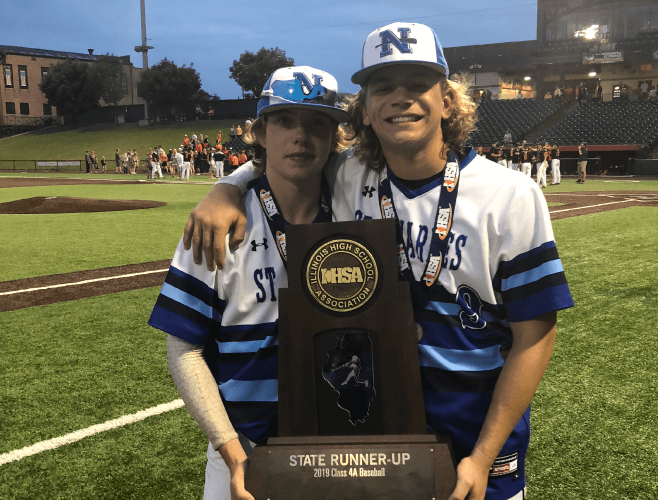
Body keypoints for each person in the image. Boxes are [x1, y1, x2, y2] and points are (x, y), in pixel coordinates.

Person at [181, 22, 574, 500]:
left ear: (448, 100)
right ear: (364, 111)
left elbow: (535, 337)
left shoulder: (511, 195)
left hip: (478, 451)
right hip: (378, 447)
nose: (400, 99)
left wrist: (483, 458)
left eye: (417, 85)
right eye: (383, 88)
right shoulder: (349, 176)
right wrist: (225, 189)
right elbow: (284, 154)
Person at [149, 65, 349, 500]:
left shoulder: (357, 212)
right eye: (284, 120)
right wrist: (233, 452)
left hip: (341, 447)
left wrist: (227, 183)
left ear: (336, 137)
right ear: (259, 131)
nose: (300, 135)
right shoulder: (214, 228)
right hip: (243, 448)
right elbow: (184, 347)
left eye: (318, 123)